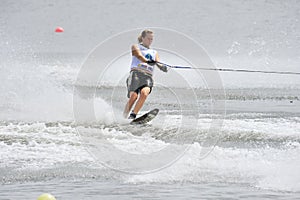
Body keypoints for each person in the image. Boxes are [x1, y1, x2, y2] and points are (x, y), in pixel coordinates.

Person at [123, 29, 168, 119]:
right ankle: (123, 117)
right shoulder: (135, 47)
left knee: (144, 93)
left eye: (151, 39)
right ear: (142, 38)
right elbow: (139, 56)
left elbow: (158, 62)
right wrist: (147, 61)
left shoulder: (154, 52)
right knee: (134, 97)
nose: (150, 41)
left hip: (147, 76)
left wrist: (162, 67)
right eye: (148, 38)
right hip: (136, 74)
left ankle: (133, 115)